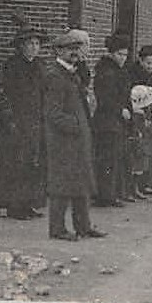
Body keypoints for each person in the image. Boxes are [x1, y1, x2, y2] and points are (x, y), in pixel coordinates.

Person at [41, 29, 106, 241]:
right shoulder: (55, 76)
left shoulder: (72, 74)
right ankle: (57, 229)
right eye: (69, 49)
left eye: (77, 49)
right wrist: (76, 125)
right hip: (63, 140)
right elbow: (53, 113)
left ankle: (83, 226)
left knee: (81, 182)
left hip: (78, 139)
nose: (74, 53)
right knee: (62, 184)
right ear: (58, 51)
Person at [0, 22, 47, 220]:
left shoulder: (40, 67)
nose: (34, 47)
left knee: (33, 164)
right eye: (30, 43)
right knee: (17, 163)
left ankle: (29, 203)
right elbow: (3, 95)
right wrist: (10, 120)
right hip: (17, 122)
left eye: (37, 44)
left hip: (36, 121)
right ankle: (15, 206)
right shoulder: (12, 66)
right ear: (20, 46)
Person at [92, 34, 133, 207]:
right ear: (111, 54)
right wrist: (120, 110)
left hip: (117, 121)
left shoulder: (119, 71)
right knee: (107, 159)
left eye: (125, 55)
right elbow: (105, 98)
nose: (122, 58)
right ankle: (105, 196)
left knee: (115, 158)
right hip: (107, 121)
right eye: (119, 55)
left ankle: (112, 193)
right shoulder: (106, 72)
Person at [130, 44, 152, 191]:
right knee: (138, 150)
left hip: (150, 117)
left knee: (151, 151)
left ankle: (148, 182)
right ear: (141, 60)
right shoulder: (133, 75)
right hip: (136, 116)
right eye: (148, 63)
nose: (150, 67)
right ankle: (136, 185)